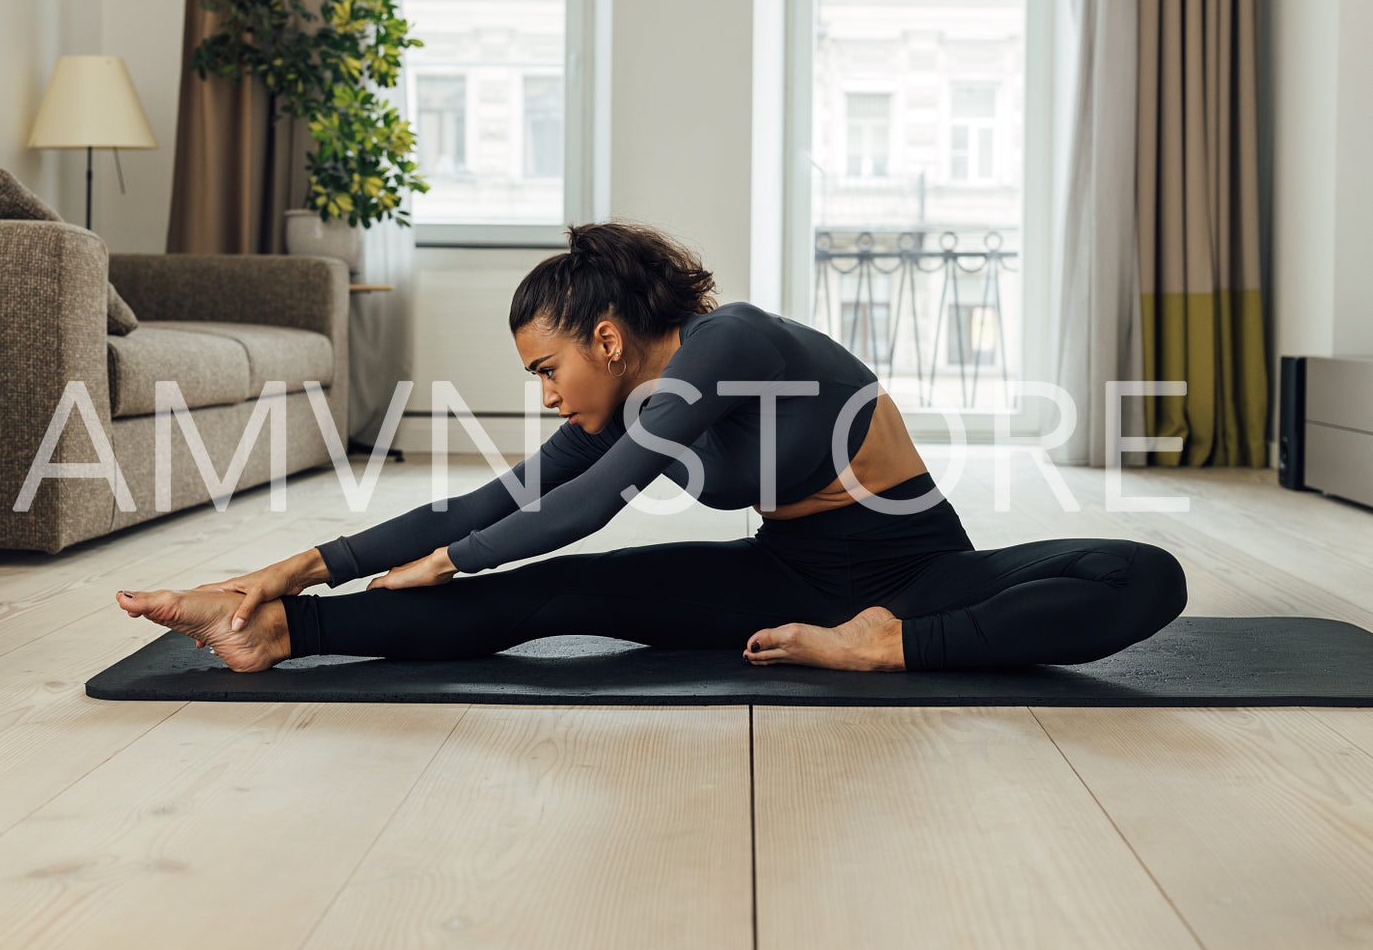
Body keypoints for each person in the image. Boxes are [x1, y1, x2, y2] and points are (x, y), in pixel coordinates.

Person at [116, 220, 1188, 674]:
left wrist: (445, 565)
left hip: (916, 572)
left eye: (546, 369)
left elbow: (587, 505)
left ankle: (884, 648)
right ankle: (279, 637)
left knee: (1144, 573)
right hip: (785, 578)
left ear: (609, 337)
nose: (543, 395)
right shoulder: (622, 407)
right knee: (564, 600)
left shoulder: (731, 343)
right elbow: (495, 504)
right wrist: (286, 573)